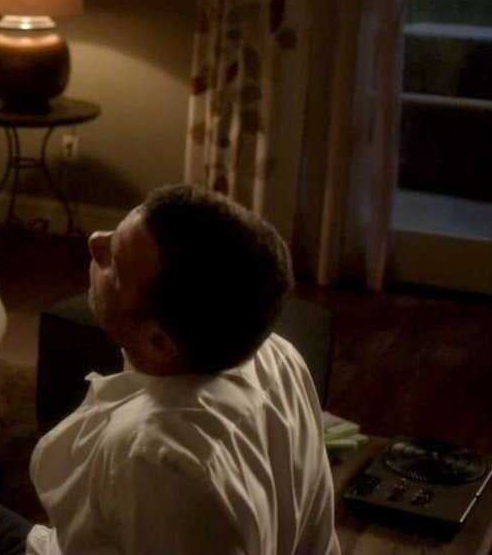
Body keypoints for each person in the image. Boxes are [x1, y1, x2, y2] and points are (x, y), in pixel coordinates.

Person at [26, 184, 340, 555]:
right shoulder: (280, 355)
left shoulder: (154, 457)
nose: (95, 240)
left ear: (160, 344)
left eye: (116, 267)